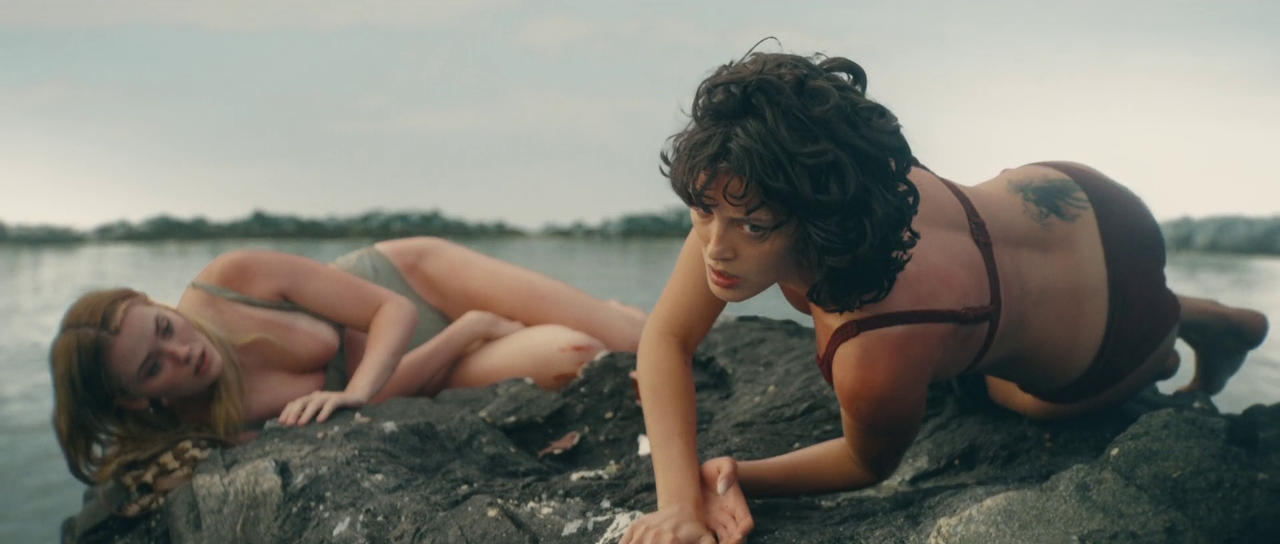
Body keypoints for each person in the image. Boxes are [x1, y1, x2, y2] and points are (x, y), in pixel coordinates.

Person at [620, 52, 1269, 544]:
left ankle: (1163, 339)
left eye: (753, 228)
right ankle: (1196, 315)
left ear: (817, 223)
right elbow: (667, 337)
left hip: (1107, 335)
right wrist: (678, 502)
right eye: (701, 211)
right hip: (1081, 197)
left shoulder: (871, 349)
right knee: (989, 334)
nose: (714, 247)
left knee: (1008, 395)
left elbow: (866, 462)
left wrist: (733, 474)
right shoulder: (814, 169)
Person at [51, 236, 647, 492]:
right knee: (579, 355)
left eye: (164, 327)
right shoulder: (209, 430)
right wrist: (467, 333)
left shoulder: (231, 281)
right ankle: (533, 322)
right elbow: (385, 395)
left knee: (636, 339)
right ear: (134, 399)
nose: (182, 351)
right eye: (153, 368)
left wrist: (357, 393)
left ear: (158, 305)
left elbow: (390, 310)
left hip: (415, 284)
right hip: (430, 366)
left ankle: (613, 312)